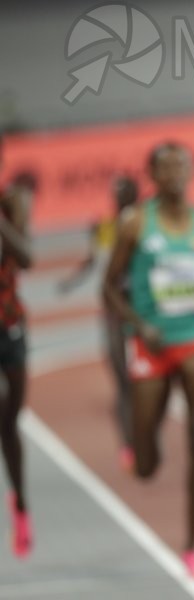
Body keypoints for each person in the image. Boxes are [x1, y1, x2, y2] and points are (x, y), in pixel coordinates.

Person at [103, 141, 194, 581]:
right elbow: (109, 288)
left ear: (192, 171)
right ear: (152, 176)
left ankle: (192, 547)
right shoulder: (137, 222)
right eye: (166, 168)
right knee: (145, 466)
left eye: (182, 165)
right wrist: (140, 324)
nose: (175, 174)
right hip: (152, 345)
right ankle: (145, 439)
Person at [59, 175, 139, 471]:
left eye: (127, 193)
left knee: (146, 381)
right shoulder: (102, 228)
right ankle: (128, 444)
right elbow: (92, 261)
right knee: (122, 380)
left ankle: (144, 433)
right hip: (114, 312)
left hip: (143, 310)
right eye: (117, 193)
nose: (121, 199)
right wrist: (70, 282)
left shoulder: (145, 224)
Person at [0, 131, 34, 559]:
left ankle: (21, 505)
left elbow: (26, 258)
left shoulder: (13, 202)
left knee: (10, 423)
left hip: (10, 326)